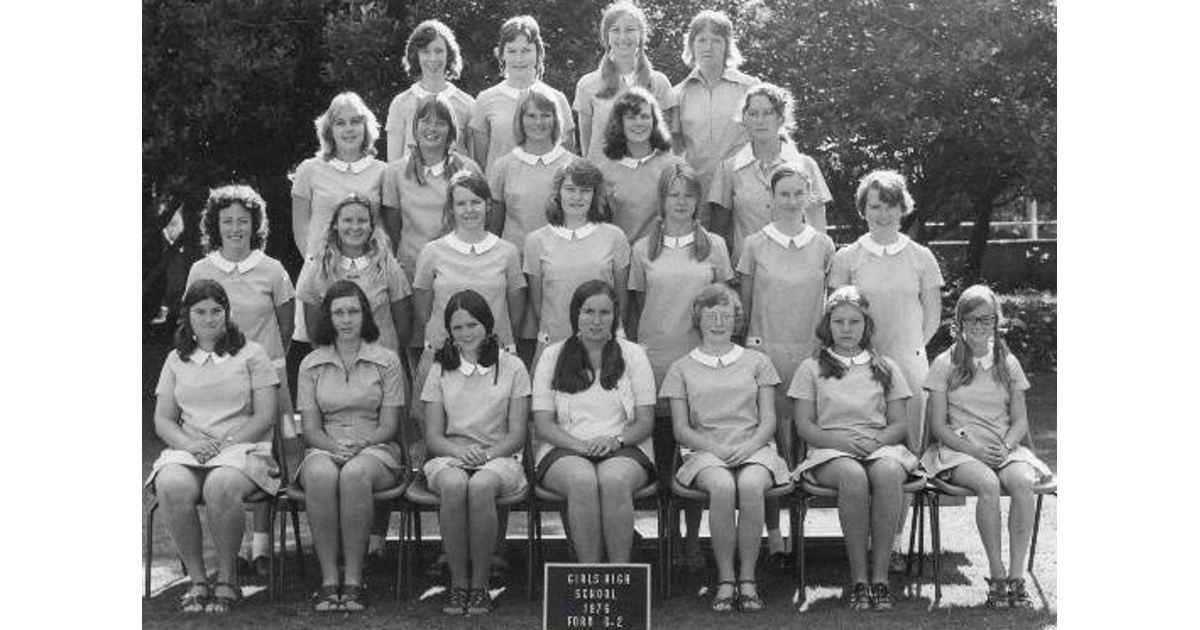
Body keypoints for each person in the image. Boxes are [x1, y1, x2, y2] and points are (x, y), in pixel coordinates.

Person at [829, 169, 944, 569]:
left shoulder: (920, 257)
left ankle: (892, 543)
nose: (883, 213)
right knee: (858, 455)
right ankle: (860, 546)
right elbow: (837, 317)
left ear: (903, 208)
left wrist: (903, 356)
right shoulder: (847, 257)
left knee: (901, 457)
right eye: (874, 205)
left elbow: (931, 318)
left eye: (890, 205)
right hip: (854, 371)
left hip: (908, 369)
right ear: (863, 210)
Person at [146, 280, 280, 614]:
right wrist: (191, 446)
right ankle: (198, 581)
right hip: (191, 449)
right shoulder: (176, 360)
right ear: (187, 315)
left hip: (243, 449)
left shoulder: (252, 354)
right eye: (200, 312)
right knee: (170, 483)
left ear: (226, 313)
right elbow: (163, 420)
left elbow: (266, 414)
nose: (208, 319)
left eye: (216, 311)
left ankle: (228, 578)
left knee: (221, 485)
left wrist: (227, 443)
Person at [187, 184, 296, 577]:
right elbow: (195, 322)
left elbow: (286, 327)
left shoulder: (272, 270)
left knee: (266, 453)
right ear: (215, 225)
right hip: (218, 383)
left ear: (256, 225)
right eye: (227, 220)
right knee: (222, 458)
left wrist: (259, 366)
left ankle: (262, 548)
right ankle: (226, 551)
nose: (235, 228)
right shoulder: (201, 269)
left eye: (243, 221)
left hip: (268, 379)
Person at [921, 285, 1051, 609]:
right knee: (988, 484)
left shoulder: (1008, 363)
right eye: (972, 319)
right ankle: (997, 575)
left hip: (1004, 448)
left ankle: (1017, 577)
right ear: (960, 322)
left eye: (987, 319)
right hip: (959, 450)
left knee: (1023, 482)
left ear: (996, 322)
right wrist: (975, 451)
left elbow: (1020, 421)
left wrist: (1007, 447)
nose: (979, 326)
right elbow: (938, 427)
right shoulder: (944, 364)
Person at [660, 284, 788, 613]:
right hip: (704, 451)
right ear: (698, 320)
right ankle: (726, 580)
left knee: (748, 484)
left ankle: (748, 579)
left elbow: (768, 421)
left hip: (754, 447)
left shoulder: (758, 361)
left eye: (726, 315)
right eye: (711, 315)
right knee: (721, 485)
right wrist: (714, 448)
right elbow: (681, 429)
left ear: (736, 320)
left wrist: (749, 447)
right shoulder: (681, 368)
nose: (718, 322)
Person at [788, 286, 917, 611]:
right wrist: (840, 442)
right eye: (839, 322)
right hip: (830, 450)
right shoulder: (811, 367)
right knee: (853, 476)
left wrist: (877, 442)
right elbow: (804, 425)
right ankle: (859, 579)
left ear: (867, 325)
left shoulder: (885, 366)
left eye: (854, 322)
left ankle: (881, 578)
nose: (846, 329)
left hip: (879, 446)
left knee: (888, 473)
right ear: (827, 325)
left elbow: (900, 424)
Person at [628, 163, 731, 568]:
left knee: (693, 454)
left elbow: (725, 306)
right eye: (674, 194)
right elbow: (634, 309)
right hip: (653, 362)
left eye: (689, 194)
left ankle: (691, 539)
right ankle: (664, 537)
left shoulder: (715, 247)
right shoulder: (642, 249)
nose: (681, 201)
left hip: (700, 363)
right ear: (662, 200)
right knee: (662, 452)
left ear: (698, 201)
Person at [736, 164, 836, 569]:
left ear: (808, 196)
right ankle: (775, 541)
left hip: (811, 357)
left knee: (805, 447)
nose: (792, 201)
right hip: (766, 355)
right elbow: (745, 307)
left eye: (799, 194)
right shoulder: (754, 244)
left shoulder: (825, 245)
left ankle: (801, 538)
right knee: (773, 447)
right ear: (771, 199)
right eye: (784, 194)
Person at [296, 280, 406, 612]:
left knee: (355, 474)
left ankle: (355, 580)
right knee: (319, 475)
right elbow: (308, 428)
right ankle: (330, 581)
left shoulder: (387, 361)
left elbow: (389, 426)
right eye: (338, 313)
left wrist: (361, 444)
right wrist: (331, 447)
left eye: (353, 312)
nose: (346, 320)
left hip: (376, 447)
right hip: (324, 445)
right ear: (328, 318)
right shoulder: (310, 364)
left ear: (365, 315)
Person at [422, 290, 531, 615]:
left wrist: (484, 456)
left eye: (472, 325)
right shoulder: (439, 368)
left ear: (487, 325)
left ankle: (480, 585)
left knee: (481, 485)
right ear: (449, 332)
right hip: (449, 454)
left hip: (500, 456)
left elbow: (516, 434)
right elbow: (433, 435)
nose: (466, 333)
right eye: (457, 328)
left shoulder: (513, 367)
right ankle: (459, 584)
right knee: (456, 484)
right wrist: (460, 452)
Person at [531, 280, 656, 563]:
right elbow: (544, 425)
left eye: (605, 313)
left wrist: (614, 441)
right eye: (589, 312)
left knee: (613, 480)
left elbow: (645, 421)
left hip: (624, 445)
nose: (596, 320)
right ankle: (591, 575)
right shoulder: (552, 356)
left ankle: (619, 575)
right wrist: (582, 446)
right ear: (576, 314)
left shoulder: (634, 354)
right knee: (582, 480)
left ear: (615, 317)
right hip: (564, 447)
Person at [708, 83, 831, 263]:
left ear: (781, 118)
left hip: (797, 270)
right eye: (753, 114)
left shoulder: (805, 165)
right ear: (744, 119)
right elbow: (718, 234)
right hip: (746, 274)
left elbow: (818, 231)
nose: (760, 120)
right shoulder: (728, 169)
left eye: (768, 113)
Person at [524, 159, 630, 355]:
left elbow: (621, 298)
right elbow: (539, 303)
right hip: (555, 343)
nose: (577, 197)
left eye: (585, 190)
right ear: (558, 193)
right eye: (570, 189)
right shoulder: (536, 240)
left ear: (595, 195)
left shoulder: (615, 236)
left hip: (605, 343)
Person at [381, 94, 483, 281]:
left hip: (458, 268)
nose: (432, 128)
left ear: (451, 131)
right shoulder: (395, 172)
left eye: (441, 123)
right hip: (411, 270)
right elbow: (392, 230)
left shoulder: (468, 168)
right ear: (415, 126)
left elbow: (482, 221)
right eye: (425, 121)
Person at [297, 194, 412, 357]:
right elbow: (314, 332)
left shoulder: (388, 266)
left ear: (371, 226)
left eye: (362, 221)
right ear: (335, 224)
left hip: (382, 366)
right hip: (336, 369)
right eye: (348, 220)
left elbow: (403, 327)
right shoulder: (317, 269)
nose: (355, 227)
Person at [671, 9, 759, 203]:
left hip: (741, 191)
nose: (708, 47)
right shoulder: (677, 94)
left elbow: (766, 137)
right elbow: (675, 150)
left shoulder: (749, 87)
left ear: (727, 46)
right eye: (701, 40)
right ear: (692, 45)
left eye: (716, 40)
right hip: (696, 191)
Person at [574, 1, 677, 164]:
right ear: (606, 37)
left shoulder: (659, 82)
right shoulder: (587, 85)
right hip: (604, 182)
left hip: (648, 181)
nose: (623, 37)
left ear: (641, 35)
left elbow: (668, 141)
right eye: (615, 30)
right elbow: (586, 145)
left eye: (630, 30)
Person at [470, 15, 576, 172]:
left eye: (526, 50)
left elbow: (568, 160)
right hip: (499, 193)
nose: (519, 59)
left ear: (538, 52)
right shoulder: (485, 100)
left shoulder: (557, 99)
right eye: (512, 51)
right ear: (502, 54)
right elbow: (481, 162)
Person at [292, 91, 386, 259]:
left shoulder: (383, 172)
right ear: (330, 130)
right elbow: (301, 229)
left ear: (365, 126)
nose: (349, 129)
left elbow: (384, 227)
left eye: (355, 121)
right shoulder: (308, 170)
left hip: (369, 273)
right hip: (321, 273)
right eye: (340, 123)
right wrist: (315, 266)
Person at [598, 87, 684, 244]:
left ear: (654, 121)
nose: (639, 123)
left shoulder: (675, 166)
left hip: (666, 259)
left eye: (645, 116)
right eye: (631, 117)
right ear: (619, 123)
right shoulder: (604, 171)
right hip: (624, 259)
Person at [386, 19, 474, 161]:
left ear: (449, 54)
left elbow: (472, 163)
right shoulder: (401, 103)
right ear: (416, 55)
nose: (433, 58)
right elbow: (393, 166)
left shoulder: (467, 104)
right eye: (425, 52)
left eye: (439, 51)